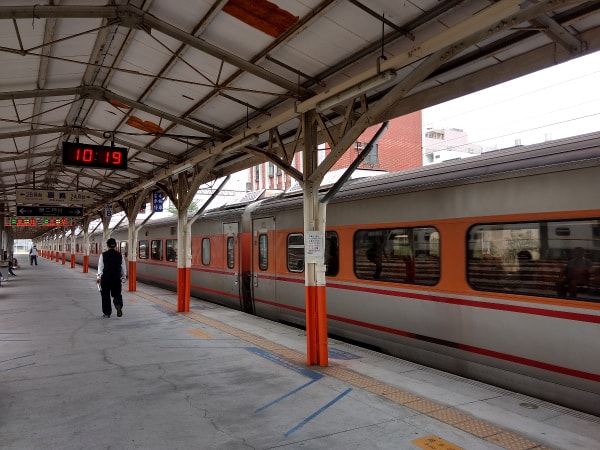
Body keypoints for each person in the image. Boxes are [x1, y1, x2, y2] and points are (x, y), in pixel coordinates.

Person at [97, 238, 127, 318]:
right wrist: (124, 276)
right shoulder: (120, 255)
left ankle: (107, 313)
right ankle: (118, 305)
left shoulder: (103, 255)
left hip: (105, 278)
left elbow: (100, 268)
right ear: (115, 246)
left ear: (107, 246)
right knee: (117, 294)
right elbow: (123, 267)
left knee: (105, 296)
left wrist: (98, 277)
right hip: (116, 278)